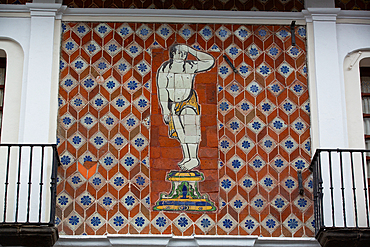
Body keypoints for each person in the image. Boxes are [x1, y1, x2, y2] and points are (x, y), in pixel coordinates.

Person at [156, 44, 215, 171]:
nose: (182, 55)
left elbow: (209, 62)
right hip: (174, 105)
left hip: (188, 101)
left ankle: (194, 158)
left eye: (184, 53)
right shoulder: (165, 68)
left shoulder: (189, 66)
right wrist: (165, 109)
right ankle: (188, 157)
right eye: (179, 52)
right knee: (181, 132)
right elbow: (162, 90)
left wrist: (192, 50)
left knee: (191, 130)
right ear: (172, 54)